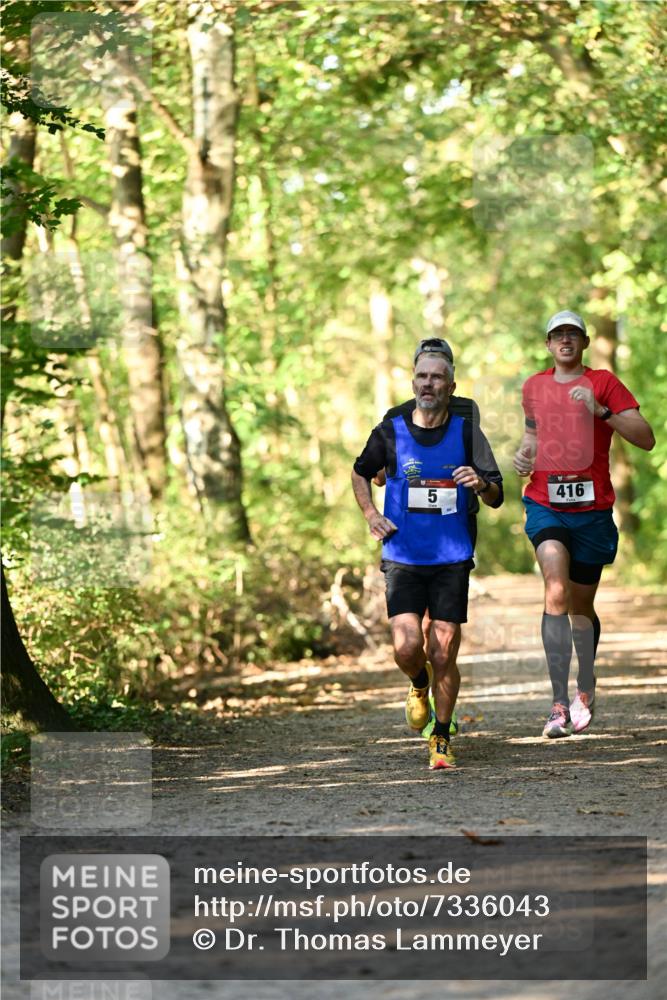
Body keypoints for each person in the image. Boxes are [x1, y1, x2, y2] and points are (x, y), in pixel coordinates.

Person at [352, 340, 503, 770]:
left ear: (451, 385)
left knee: (444, 652)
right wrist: (370, 514)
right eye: (422, 376)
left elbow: (497, 495)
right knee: (407, 647)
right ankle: (418, 683)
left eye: (437, 377)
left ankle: (440, 735)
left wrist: (480, 483)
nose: (429, 383)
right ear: (413, 382)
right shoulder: (391, 429)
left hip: (452, 556)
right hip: (403, 553)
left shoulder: (467, 430)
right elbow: (362, 471)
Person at [513, 310, 655, 738]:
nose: (565, 341)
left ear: (585, 341)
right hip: (545, 503)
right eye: (557, 335)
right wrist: (524, 456)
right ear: (548, 344)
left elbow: (646, 437)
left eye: (573, 334)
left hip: (592, 513)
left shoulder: (604, 383)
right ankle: (558, 704)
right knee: (555, 586)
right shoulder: (534, 386)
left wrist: (602, 411)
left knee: (580, 608)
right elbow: (532, 438)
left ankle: (584, 688)